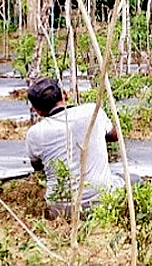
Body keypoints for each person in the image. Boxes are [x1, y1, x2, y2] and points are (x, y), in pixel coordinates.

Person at [25, 77, 123, 218]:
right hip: (100, 202)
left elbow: (37, 167)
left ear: (37, 110)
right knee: (133, 180)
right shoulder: (91, 111)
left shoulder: (34, 134)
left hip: (59, 209)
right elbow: (114, 136)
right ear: (65, 94)